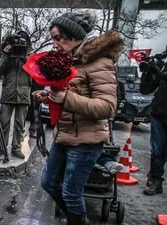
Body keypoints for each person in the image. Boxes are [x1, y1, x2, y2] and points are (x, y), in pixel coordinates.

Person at [35, 12, 123, 224]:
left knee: (71, 193)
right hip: (63, 135)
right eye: (53, 38)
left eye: (58, 38)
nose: (54, 44)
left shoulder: (100, 61)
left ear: (72, 35)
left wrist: (66, 98)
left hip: (86, 141)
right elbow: (70, 97)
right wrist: (49, 97)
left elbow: (108, 107)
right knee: (48, 183)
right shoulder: (68, 60)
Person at [0, 30, 32, 159]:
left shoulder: (30, 57)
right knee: (3, 122)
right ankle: (1, 146)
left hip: (23, 95)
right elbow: (0, 71)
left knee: (19, 124)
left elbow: (34, 72)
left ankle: (16, 148)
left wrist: (24, 57)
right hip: (8, 93)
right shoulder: (7, 55)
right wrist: (6, 54)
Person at [139, 48, 167, 195]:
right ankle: (155, 180)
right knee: (157, 151)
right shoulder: (162, 66)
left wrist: (159, 72)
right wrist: (148, 72)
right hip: (159, 115)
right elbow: (145, 90)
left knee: (163, 152)